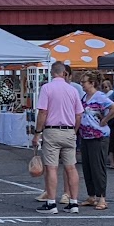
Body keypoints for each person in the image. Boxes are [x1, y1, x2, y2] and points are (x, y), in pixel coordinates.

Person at [33, 62, 84, 213]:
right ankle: (73, 202)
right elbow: (79, 114)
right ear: (64, 73)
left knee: (51, 167)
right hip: (69, 131)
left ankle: (51, 203)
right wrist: (74, 130)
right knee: (71, 167)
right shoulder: (73, 90)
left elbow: (43, 112)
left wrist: (37, 132)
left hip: (52, 131)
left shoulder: (47, 88)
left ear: (52, 73)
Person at [78, 73, 113, 212]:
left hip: (98, 135)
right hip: (86, 135)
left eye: (84, 82)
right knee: (87, 167)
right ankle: (91, 195)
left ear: (92, 83)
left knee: (98, 167)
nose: (82, 84)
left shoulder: (100, 96)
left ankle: (102, 197)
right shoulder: (84, 97)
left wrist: (105, 120)